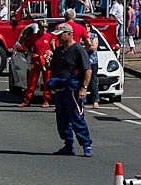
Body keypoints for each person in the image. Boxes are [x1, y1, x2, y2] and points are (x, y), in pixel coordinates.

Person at [48, 23, 93, 157]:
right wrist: (48, 62)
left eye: (60, 35)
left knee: (77, 117)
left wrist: (83, 88)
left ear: (69, 34)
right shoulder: (58, 50)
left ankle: (86, 144)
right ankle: (68, 144)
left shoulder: (78, 49)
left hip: (73, 89)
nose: (58, 38)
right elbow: (53, 68)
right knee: (62, 119)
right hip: (60, 88)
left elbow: (88, 70)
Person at [17, 19, 54, 108]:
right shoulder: (33, 37)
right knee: (32, 81)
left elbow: (55, 48)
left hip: (46, 61)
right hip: (36, 60)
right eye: (42, 27)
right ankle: (27, 100)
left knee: (47, 81)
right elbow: (24, 44)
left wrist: (51, 53)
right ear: (39, 27)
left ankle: (46, 100)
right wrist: (30, 53)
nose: (44, 29)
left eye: (46, 27)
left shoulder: (50, 36)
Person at [83, 21, 100, 108]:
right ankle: (82, 100)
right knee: (82, 81)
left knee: (93, 81)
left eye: (88, 26)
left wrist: (83, 48)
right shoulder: (81, 36)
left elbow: (94, 47)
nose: (86, 28)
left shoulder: (94, 35)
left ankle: (95, 100)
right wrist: (86, 47)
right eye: (85, 26)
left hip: (92, 61)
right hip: (82, 61)